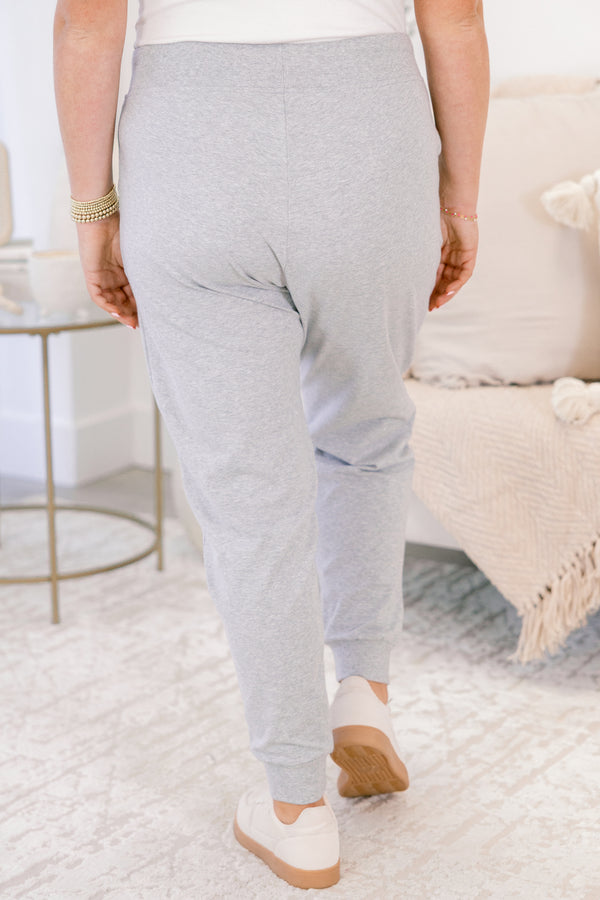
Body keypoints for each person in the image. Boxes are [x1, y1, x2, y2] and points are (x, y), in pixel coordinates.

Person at [54, 0, 489, 889]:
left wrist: (95, 212)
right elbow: (457, 16)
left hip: (192, 147)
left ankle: (295, 808)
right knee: (365, 435)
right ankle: (363, 690)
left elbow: (86, 23)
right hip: (370, 139)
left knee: (251, 496)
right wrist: (460, 198)